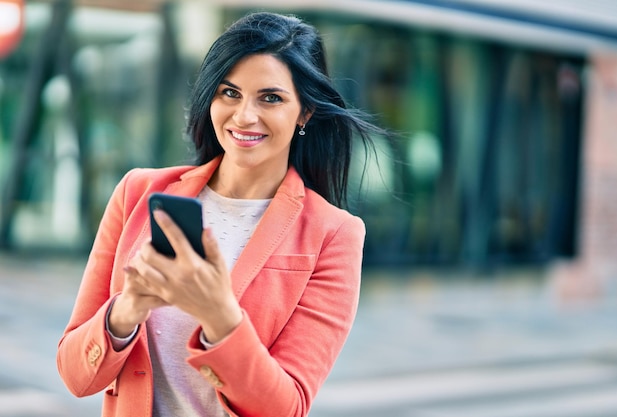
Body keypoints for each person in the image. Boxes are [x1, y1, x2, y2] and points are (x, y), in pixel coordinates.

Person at [57, 11, 385, 417]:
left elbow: (287, 407)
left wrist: (220, 317)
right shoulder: (139, 193)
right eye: (229, 93)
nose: (244, 116)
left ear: (305, 112)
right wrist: (126, 311)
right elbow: (75, 375)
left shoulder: (334, 235)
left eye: (271, 98)